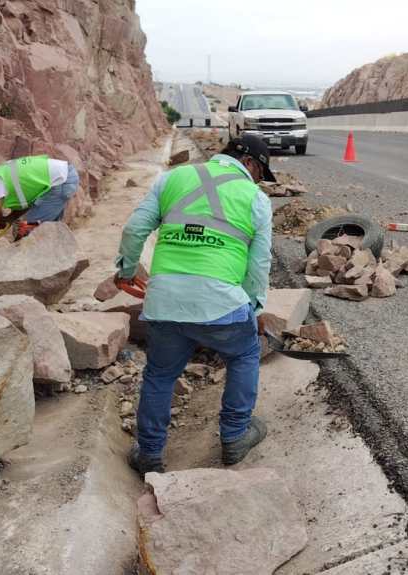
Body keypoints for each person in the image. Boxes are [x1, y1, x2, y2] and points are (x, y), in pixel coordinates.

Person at [115, 134, 276, 475]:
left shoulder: (171, 179)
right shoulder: (256, 199)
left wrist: (126, 271)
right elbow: (258, 266)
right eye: (261, 174)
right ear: (250, 163)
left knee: (160, 374)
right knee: (245, 354)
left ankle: (150, 454)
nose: (259, 181)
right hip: (222, 303)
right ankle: (235, 436)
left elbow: (133, 230)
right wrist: (254, 310)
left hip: (165, 301)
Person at [0, 155, 80, 252]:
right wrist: (10, 218)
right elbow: (28, 201)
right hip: (63, 175)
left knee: (25, 232)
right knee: (45, 230)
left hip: (61, 181)